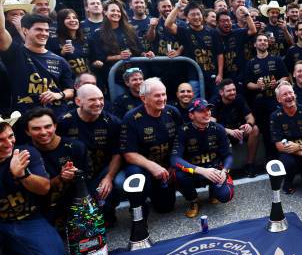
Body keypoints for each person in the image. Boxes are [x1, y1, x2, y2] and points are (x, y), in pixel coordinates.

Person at [0, 111, 65, 255]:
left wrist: (23, 175)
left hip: (27, 218)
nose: (9, 144)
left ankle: (11, 253)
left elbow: (44, 188)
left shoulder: (25, 153)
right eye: (0, 140)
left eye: (10, 136)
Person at [57, 84, 122, 226]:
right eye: (92, 100)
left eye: (101, 99)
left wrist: (109, 178)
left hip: (102, 171)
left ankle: (108, 209)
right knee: (74, 223)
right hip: (74, 175)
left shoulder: (113, 122)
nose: (98, 103)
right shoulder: (64, 122)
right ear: (78, 102)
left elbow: (117, 154)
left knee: (106, 221)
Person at [0, 0, 74, 115]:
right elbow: (1, 31)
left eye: (46, 30)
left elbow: (70, 90)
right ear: (25, 30)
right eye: (39, 29)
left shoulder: (60, 61)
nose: (44, 33)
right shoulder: (14, 52)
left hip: (56, 118)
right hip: (25, 119)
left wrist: (57, 95)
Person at [120, 78, 182, 213]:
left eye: (163, 94)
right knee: (133, 173)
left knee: (165, 208)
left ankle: (154, 194)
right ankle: (138, 207)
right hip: (142, 167)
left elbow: (180, 141)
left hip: (166, 167)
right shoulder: (131, 118)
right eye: (157, 95)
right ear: (144, 98)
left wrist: (173, 163)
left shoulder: (173, 112)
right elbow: (129, 154)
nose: (162, 99)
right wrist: (152, 166)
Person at [23, 107, 88, 225]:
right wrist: (60, 178)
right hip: (40, 207)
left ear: (55, 126)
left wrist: (76, 175)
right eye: (36, 128)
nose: (43, 132)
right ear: (27, 131)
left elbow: (88, 180)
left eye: (47, 126)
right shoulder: (25, 154)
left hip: (73, 202)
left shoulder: (76, 147)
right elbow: (36, 190)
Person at [171, 98, 234, 217]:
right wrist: (201, 170)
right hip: (194, 172)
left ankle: (214, 192)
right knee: (178, 175)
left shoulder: (218, 128)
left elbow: (228, 155)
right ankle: (194, 200)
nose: (207, 113)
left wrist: (225, 171)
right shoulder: (183, 131)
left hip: (214, 170)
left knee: (226, 195)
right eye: (201, 111)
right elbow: (174, 159)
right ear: (191, 115)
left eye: (209, 109)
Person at [165, 0, 223, 99]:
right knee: (193, 105)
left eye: (198, 14)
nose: (196, 17)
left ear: (202, 16)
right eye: (192, 15)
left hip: (213, 76)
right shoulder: (184, 31)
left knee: (215, 102)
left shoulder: (213, 32)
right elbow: (168, 24)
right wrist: (177, 7)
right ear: (187, 17)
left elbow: (220, 54)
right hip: (194, 78)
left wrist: (220, 74)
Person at [270, 82, 302, 196]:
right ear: (279, 99)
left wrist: (300, 147)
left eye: (290, 93)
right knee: (288, 162)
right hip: (290, 154)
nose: (289, 96)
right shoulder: (275, 116)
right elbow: (279, 145)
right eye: (284, 95)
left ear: (295, 94)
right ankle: (288, 181)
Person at [245, 33, 289, 159]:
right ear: (255, 44)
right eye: (260, 40)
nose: (263, 42)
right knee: (266, 134)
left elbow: (286, 76)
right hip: (260, 105)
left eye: (265, 40)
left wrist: (278, 82)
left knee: (279, 132)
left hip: (277, 103)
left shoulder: (277, 59)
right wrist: (257, 86)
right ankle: (271, 162)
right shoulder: (250, 63)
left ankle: (282, 160)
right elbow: (248, 84)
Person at [212, 79, 259, 178]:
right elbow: (212, 125)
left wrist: (249, 125)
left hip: (239, 131)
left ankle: (249, 164)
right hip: (224, 134)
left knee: (255, 129)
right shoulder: (214, 101)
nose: (233, 92)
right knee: (213, 135)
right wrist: (229, 131)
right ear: (221, 92)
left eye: (234, 89)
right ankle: (222, 168)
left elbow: (250, 117)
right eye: (229, 91)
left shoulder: (239, 98)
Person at [218, 7, 257, 84]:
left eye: (228, 21)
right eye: (223, 21)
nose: (226, 23)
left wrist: (247, 14)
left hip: (241, 76)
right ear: (217, 23)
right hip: (226, 78)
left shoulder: (237, 33)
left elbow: (253, 30)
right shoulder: (215, 36)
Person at [47, 8, 89, 77]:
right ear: (61, 22)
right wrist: (62, 53)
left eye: (74, 18)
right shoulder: (53, 41)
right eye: (68, 18)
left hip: (86, 80)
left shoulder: (84, 39)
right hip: (67, 82)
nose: (72, 20)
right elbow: (51, 65)